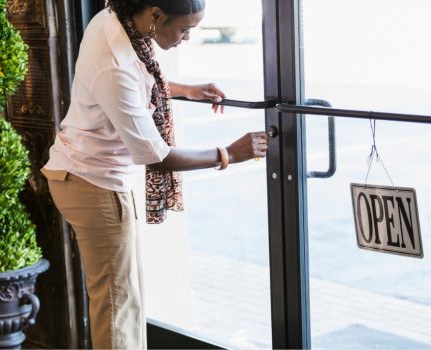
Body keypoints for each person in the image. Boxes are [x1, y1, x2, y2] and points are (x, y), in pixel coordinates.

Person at [40, 0, 268, 348]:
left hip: (83, 175)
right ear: (156, 15)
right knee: (118, 307)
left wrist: (183, 89)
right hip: (94, 185)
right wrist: (229, 154)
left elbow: (134, 86)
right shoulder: (115, 62)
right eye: (184, 29)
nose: (187, 38)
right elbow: (156, 155)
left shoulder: (112, 18)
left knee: (121, 297)